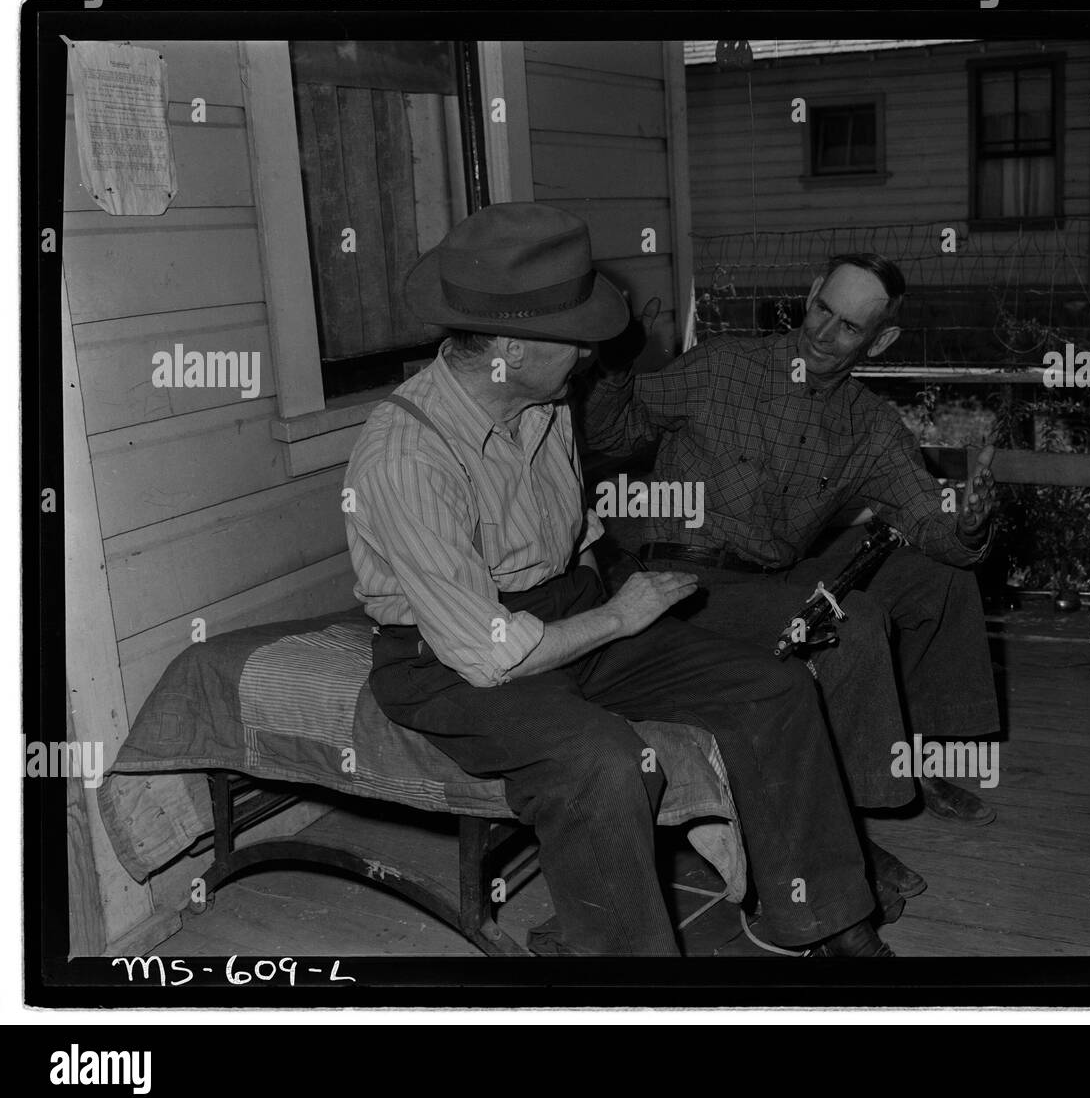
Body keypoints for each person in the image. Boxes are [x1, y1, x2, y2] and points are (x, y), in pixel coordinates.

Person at [342, 203, 896, 956]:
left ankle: (829, 919)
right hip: (450, 660)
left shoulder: (544, 402)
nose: (592, 356)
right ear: (509, 342)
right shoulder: (407, 456)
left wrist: (631, 598)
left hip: (570, 608)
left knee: (777, 689)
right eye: (578, 339)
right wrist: (621, 618)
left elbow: (579, 536)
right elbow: (486, 652)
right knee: (603, 764)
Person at [580, 252, 1003, 899]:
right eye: (820, 309)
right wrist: (615, 360)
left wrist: (969, 522)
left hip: (779, 571)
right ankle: (849, 827)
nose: (823, 333)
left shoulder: (872, 426)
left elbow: (932, 525)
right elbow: (610, 430)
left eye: (848, 328)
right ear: (809, 292)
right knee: (849, 620)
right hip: (690, 581)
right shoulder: (721, 366)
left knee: (938, 574)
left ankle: (916, 754)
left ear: (880, 340)